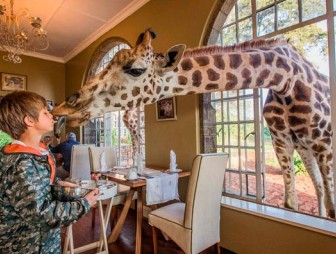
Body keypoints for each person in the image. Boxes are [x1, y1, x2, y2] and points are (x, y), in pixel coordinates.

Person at [0, 91, 101, 253]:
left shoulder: (38, 153)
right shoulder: (22, 162)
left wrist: (61, 186)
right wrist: (85, 204)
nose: (52, 115)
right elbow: (41, 213)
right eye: (45, 112)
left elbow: (41, 190)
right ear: (29, 120)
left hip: (43, 242)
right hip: (28, 247)